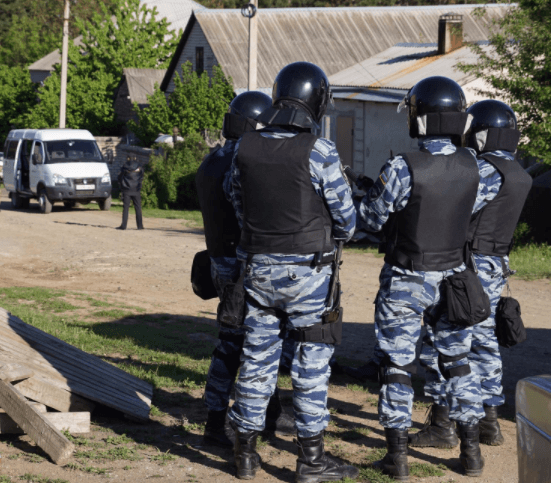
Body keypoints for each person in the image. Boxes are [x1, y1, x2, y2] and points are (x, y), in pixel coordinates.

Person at [357, 76, 500, 479]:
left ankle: (397, 458)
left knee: (398, 365)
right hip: (455, 280)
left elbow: (370, 219)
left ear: (420, 118)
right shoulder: (477, 166)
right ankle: (471, 453)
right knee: (458, 362)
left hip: (406, 278)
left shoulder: (402, 167)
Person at [225, 62, 358, 482]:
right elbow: (347, 221)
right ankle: (311, 462)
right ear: (316, 102)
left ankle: (245, 455)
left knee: (257, 359)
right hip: (309, 275)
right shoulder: (320, 151)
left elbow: (236, 201)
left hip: (258, 271)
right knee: (311, 364)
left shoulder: (244, 146)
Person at [411, 100, 531, 451]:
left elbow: (455, 205)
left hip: (467, 266)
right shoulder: (517, 171)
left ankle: (442, 424)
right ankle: (488, 422)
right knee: (483, 340)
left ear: (481, 134)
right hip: (494, 264)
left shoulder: (485, 170)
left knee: (445, 339)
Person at [195, 91, 297, 449]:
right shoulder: (242, 160)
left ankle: (261, 413)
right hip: (243, 266)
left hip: (221, 263)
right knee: (248, 343)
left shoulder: (213, 159)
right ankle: (218, 422)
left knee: (244, 342)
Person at [117, 158, 144, 230]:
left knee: (126, 208)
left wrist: (122, 186)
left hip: (126, 190)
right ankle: (140, 226)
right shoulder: (139, 166)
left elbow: (119, 177)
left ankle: (123, 226)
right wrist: (139, 185)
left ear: (128, 158)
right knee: (138, 208)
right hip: (136, 190)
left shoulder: (124, 167)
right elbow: (142, 176)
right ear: (135, 158)